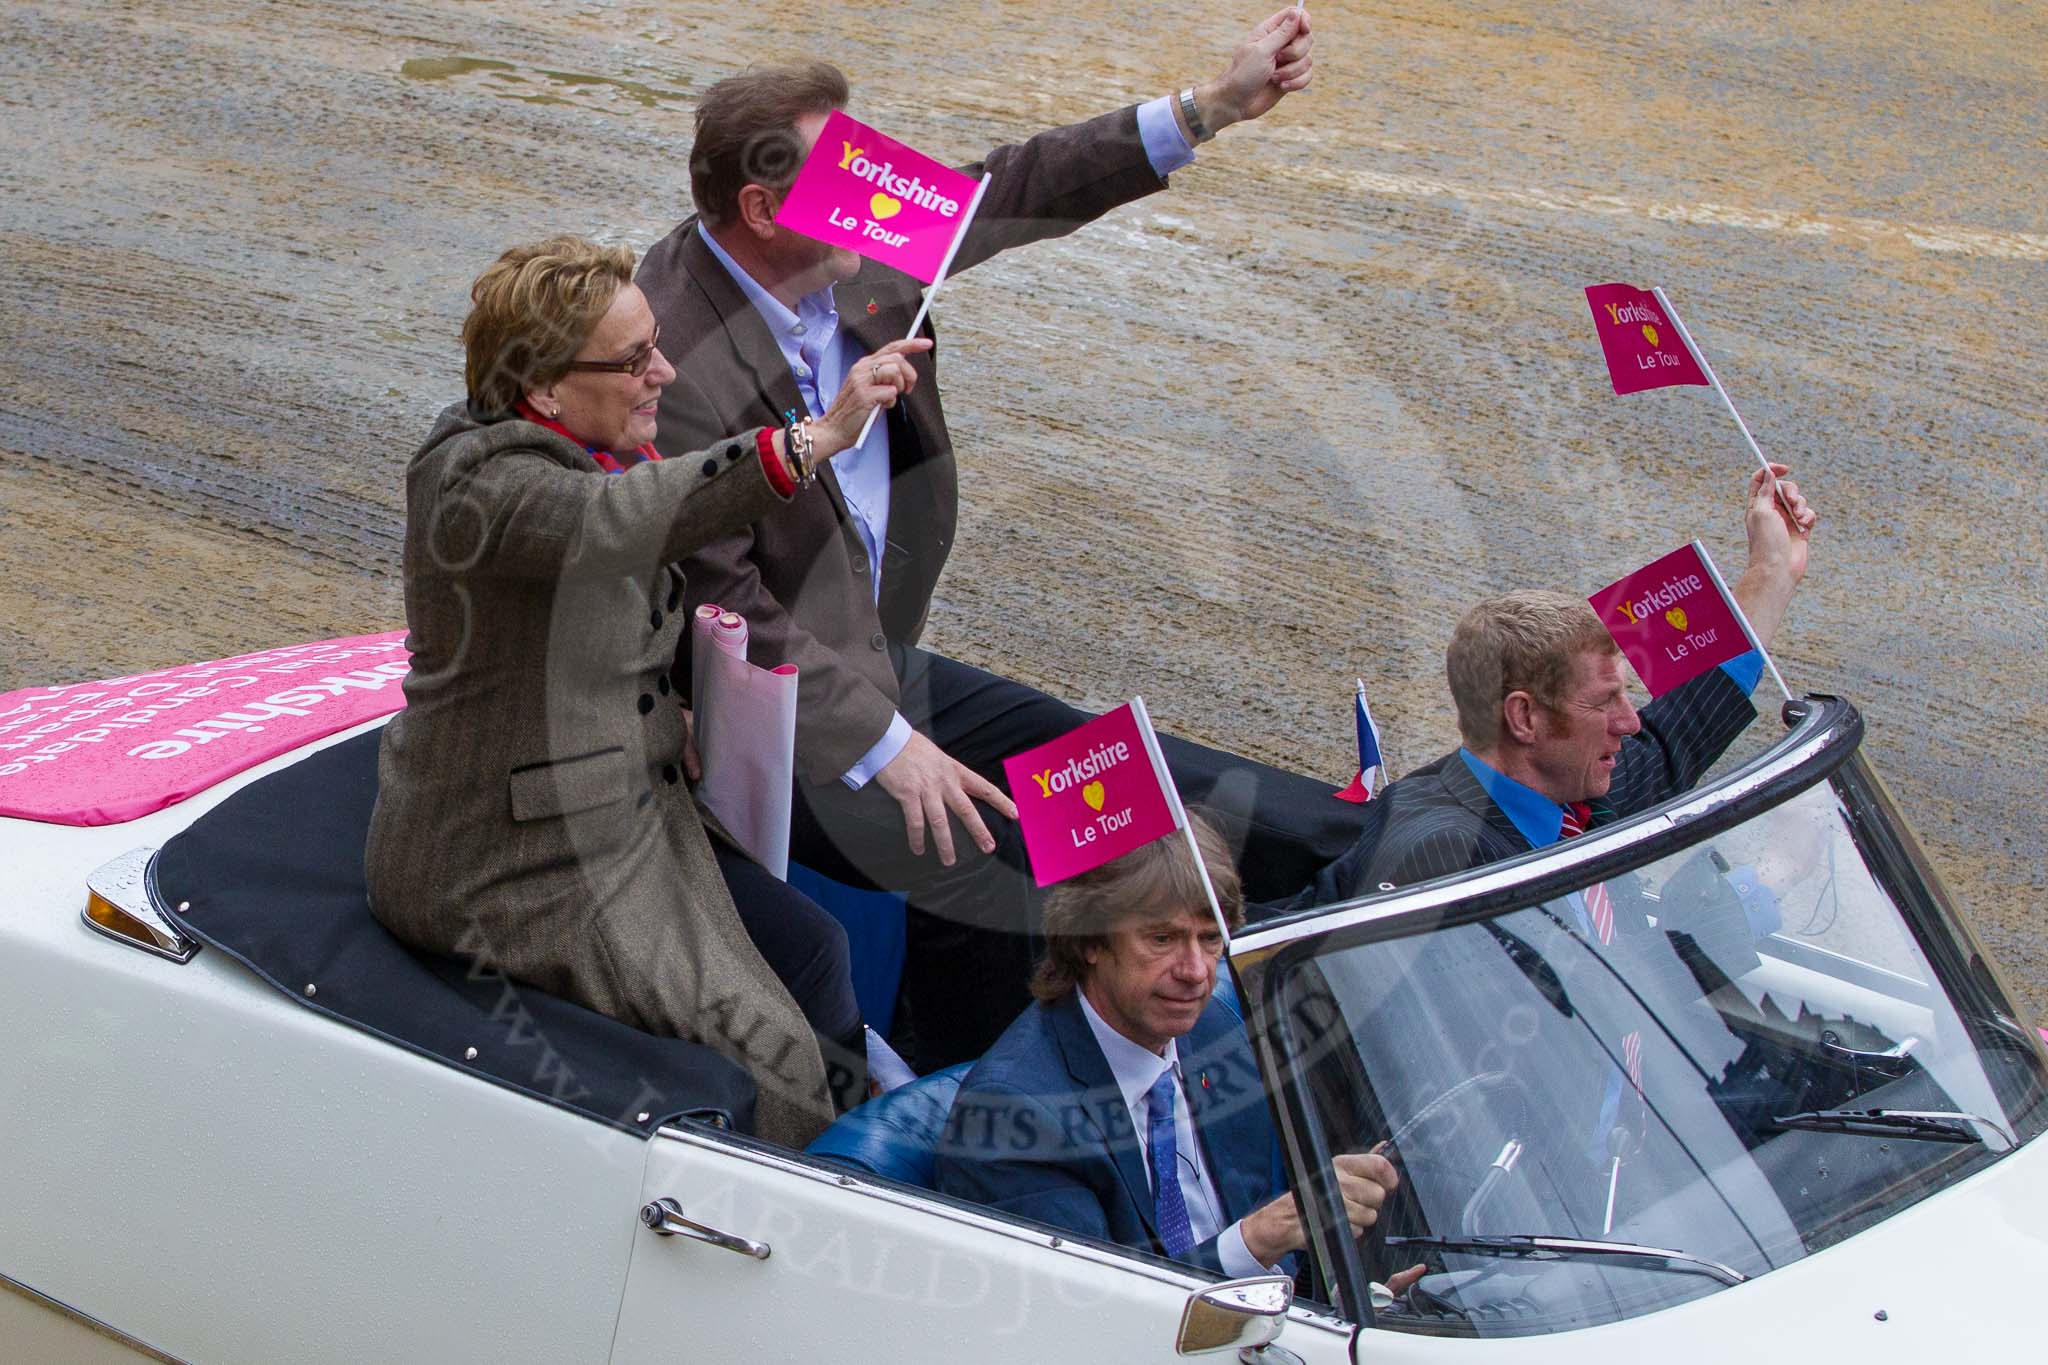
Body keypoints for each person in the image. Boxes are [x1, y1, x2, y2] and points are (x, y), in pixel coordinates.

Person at [638, 7, 1374, 1069]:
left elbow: (1011, 188)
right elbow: (731, 613)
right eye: (837, 172)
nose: (871, 189)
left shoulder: (845, 241)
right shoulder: (671, 359)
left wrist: (1209, 107)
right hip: (765, 714)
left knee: (1115, 775)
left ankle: (1385, 868)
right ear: (760, 207)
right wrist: (892, 749)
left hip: (871, 655)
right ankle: (981, 1118)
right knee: (1013, 864)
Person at [364, 235, 930, 1146]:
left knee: (815, 949)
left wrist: (671, 713)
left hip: (622, 813)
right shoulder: (481, 486)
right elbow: (620, 523)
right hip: (507, 866)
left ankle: (843, 1141)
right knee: (775, 1050)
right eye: (634, 361)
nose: (664, 371)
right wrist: (818, 436)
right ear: (544, 386)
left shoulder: (592, 449)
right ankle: (797, 1206)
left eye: (657, 342)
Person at [1292, 464, 1819, 906]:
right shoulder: (1440, 857)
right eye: (1604, 701)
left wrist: (1772, 569)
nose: (1629, 721)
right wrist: (1774, 875)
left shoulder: (1568, 789)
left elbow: (1675, 735)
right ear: (1525, 718)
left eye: (1625, 694)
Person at [933, 816, 1417, 1284]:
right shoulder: (1013, 1115)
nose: (1196, 972)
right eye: (1162, 938)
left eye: (1210, 939)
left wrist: (1355, 1300)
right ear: (1088, 941)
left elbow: (1286, 1240)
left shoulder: (1220, 1031)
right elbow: (1089, 1316)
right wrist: (1256, 1240)